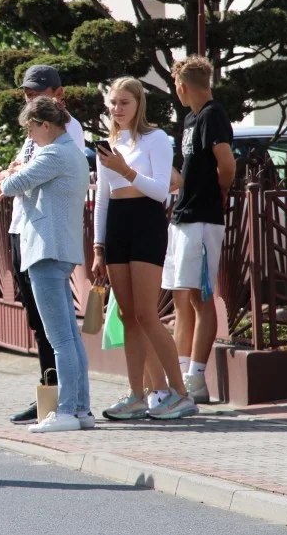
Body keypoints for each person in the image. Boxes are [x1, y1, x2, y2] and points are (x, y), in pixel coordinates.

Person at [92, 77, 198, 420]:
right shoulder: (108, 143)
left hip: (146, 222)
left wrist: (124, 169)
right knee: (126, 316)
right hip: (117, 224)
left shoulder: (156, 139)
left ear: (139, 104)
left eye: (124, 102)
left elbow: (159, 191)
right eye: (113, 102)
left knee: (146, 315)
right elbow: (102, 201)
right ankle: (138, 394)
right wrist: (98, 246)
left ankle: (181, 394)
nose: (117, 109)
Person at [0, 97, 92, 433]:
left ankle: (65, 411)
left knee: (60, 339)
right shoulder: (73, 153)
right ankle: (81, 409)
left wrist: (11, 171)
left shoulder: (52, 153)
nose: (30, 137)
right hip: (61, 250)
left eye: (31, 129)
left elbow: (10, 185)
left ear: (46, 125)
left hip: (46, 251)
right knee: (71, 338)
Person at [164, 56, 236, 404]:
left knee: (200, 297)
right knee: (182, 296)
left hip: (203, 218)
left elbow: (227, 164)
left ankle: (196, 378)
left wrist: (220, 193)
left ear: (182, 86)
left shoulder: (211, 115)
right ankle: (180, 374)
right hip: (183, 216)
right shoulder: (190, 118)